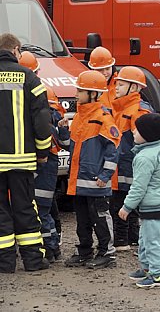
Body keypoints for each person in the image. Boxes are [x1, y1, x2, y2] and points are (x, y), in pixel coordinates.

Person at [0, 32, 53, 273]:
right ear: (16, 50)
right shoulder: (29, 77)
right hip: (22, 159)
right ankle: (32, 261)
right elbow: (42, 120)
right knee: (24, 207)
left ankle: (5, 263)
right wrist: (43, 151)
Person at [63, 70, 120, 270]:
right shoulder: (79, 117)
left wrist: (105, 176)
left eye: (81, 90)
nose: (76, 94)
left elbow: (113, 151)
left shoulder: (103, 118)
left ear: (93, 94)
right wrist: (62, 129)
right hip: (79, 181)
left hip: (96, 181)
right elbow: (68, 144)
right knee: (83, 219)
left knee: (101, 218)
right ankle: (85, 251)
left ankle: (107, 253)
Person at [119, 113, 160, 289]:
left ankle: (158, 275)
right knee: (145, 237)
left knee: (152, 241)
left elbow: (139, 187)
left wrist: (127, 207)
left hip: (153, 205)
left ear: (147, 135)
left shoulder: (144, 158)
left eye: (137, 130)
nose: (134, 131)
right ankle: (146, 268)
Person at [110, 66, 152, 252]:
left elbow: (147, 144)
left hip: (129, 167)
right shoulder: (121, 108)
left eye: (121, 84)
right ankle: (131, 238)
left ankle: (122, 240)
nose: (116, 87)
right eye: (116, 83)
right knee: (125, 202)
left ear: (134, 88)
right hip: (122, 167)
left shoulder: (138, 111)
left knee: (121, 204)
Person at [33, 86, 69, 263]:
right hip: (49, 169)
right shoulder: (54, 119)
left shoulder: (44, 122)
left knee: (41, 211)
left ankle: (48, 248)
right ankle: (52, 248)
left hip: (44, 169)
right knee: (44, 211)